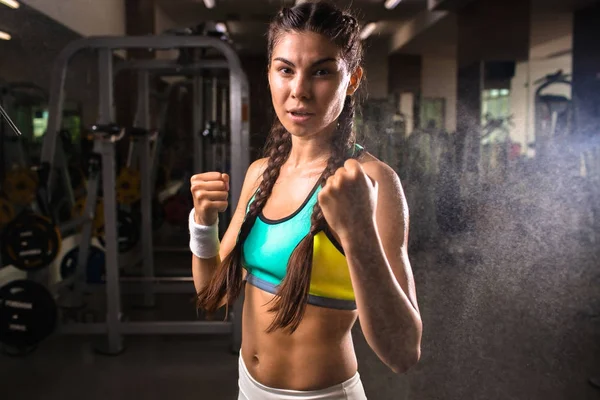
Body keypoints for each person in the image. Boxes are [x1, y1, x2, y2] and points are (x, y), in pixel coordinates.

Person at [189, 2, 422, 399]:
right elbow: (215, 293)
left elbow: (402, 353)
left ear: (351, 79)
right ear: (269, 75)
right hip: (248, 388)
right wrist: (203, 224)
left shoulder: (372, 181)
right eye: (285, 69)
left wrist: (359, 231)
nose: (299, 90)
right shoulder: (261, 173)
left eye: (321, 71)